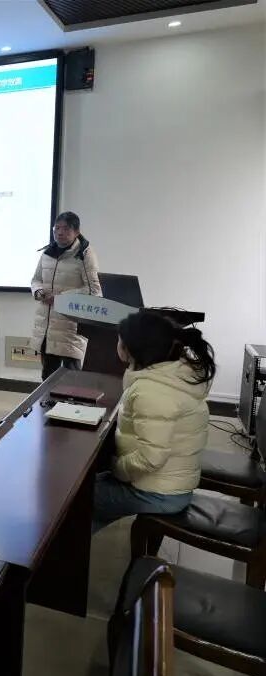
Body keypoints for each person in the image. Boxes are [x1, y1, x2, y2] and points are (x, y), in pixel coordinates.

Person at [92, 311, 215, 533]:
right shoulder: (174, 374)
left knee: (79, 497)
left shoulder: (151, 390)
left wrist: (116, 467)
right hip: (170, 484)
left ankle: (63, 550)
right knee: (91, 488)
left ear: (131, 348)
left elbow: (150, 458)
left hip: (159, 493)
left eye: (119, 339)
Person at [30, 211, 102, 379]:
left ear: (76, 232)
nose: (60, 233)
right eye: (57, 228)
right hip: (47, 325)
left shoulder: (84, 254)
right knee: (48, 377)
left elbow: (93, 290)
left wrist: (61, 298)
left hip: (71, 326)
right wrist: (39, 292)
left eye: (66, 229)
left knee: (73, 380)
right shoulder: (47, 252)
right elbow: (36, 280)